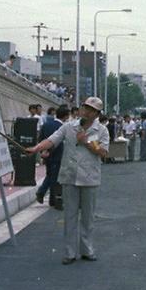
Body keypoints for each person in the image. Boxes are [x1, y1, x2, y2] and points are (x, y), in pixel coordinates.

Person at [26, 97, 109, 265]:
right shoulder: (68, 126)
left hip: (89, 178)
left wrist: (86, 143)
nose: (85, 111)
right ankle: (70, 252)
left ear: (97, 114)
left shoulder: (101, 130)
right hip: (69, 176)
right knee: (69, 216)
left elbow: (104, 153)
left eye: (90, 109)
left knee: (88, 217)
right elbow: (52, 139)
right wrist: (36, 148)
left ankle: (87, 250)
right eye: (84, 107)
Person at [35, 105, 69, 206]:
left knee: (50, 175)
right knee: (55, 178)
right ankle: (47, 196)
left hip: (47, 156)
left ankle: (46, 196)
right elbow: (57, 143)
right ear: (66, 116)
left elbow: (40, 139)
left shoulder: (46, 124)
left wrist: (43, 152)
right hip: (57, 155)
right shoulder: (62, 127)